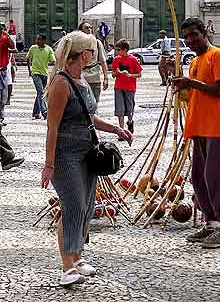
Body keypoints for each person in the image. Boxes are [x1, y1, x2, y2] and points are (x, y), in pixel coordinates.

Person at [41, 31, 132, 287]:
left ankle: (78, 256)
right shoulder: (61, 82)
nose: (95, 55)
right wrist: (49, 164)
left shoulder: (79, 79)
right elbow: (52, 127)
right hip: (65, 155)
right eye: (93, 50)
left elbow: (87, 117)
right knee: (72, 206)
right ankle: (67, 267)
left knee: (86, 206)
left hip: (87, 153)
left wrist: (116, 129)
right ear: (84, 54)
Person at [173, 18, 220, 249]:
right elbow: (196, 92)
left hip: (217, 127)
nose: (190, 40)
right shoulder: (195, 61)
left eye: (194, 35)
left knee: (216, 177)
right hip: (198, 126)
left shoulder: (218, 56)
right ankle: (211, 223)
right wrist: (183, 86)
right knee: (199, 178)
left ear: (204, 33)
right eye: (187, 37)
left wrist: (191, 82)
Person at [112, 38, 142, 136]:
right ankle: (121, 131)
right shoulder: (116, 59)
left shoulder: (133, 59)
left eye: (119, 50)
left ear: (124, 49)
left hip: (130, 87)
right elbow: (113, 74)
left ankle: (130, 122)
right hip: (118, 87)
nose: (117, 52)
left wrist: (130, 75)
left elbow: (139, 74)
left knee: (129, 107)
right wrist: (116, 73)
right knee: (119, 109)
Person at [27, 35, 56, 120]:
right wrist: (30, 70)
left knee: (40, 93)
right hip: (35, 73)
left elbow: (53, 61)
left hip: (45, 74)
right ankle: (44, 112)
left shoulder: (49, 49)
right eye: (36, 39)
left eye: (39, 39)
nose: (37, 41)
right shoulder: (33, 48)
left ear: (44, 41)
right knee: (41, 92)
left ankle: (35, 113)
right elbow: (28, 58)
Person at [78, 21, 108, 103]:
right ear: (80, 30)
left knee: (94, 104)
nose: (89, 29)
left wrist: (106, 78)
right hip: (81, 79)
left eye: (90, 27)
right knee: (82, 104)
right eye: (86, 28)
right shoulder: (77, 44)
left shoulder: (97, 43)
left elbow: (103, 61)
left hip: (95, 78)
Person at [0, 23, 15, 125]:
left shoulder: (5, 38)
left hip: (3, 70)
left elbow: (13, 46)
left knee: (2, 95)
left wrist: (8, 35)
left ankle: (1, 117)